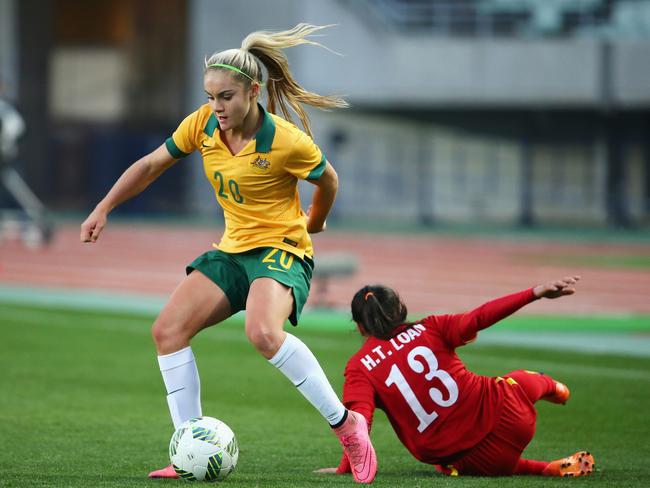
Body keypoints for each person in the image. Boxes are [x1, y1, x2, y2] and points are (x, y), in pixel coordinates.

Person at [80, 24, 376, 484]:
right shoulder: (201, 125)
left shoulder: (286, 142)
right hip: (233, 250)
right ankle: (189, 447)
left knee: (262, 332)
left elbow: (329, 179)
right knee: (167, 331)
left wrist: (315, 222)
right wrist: (103, 207)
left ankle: (347, 426)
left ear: (253, 92)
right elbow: (150, 165)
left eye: (226, 97)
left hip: (283, 250)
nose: (216, 107)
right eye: (210, 96)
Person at [318, 275, 595, 479]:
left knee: (461, 466)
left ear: (359, 326)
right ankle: (552, 387)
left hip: (475, 460)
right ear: (400, 308)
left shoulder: (359, 367)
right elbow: (480, 317)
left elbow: (358, 425)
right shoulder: (432, 327)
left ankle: (541, 468)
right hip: (512, 416)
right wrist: (534, 292)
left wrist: (347, 467)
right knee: (521, 379)